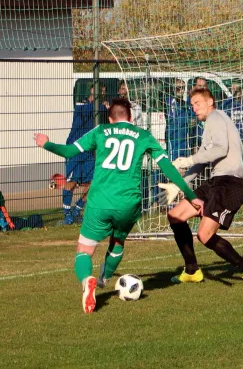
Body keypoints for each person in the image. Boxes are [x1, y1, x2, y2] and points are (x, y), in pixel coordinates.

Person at [34, 98, 201, 313]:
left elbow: (68, 152)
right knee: (118, 240)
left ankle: (88, 280)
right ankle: (103, 278)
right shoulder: (144, 136)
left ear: (111, 118)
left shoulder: (100, 131)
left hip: (100, 200)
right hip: (129, 202)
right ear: (131, 117)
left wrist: (45, 143)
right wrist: (190, 195)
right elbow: (167, 168)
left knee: (84, 250)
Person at [157, 88, 243, 288]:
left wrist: (187, 159)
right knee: (175, 216)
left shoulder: (215, 117)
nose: (194, 108)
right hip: (216, 181)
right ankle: (192, 270)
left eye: (197, 103)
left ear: (210, 101)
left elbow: (221, 149)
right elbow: (202, 162)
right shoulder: (210, 125)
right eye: (192, 104)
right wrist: (179, 186)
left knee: (204, 235)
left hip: (230, 184)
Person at [62, 85, 108, 225]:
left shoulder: (102, 108)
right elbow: (89, 112)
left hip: (89, 151)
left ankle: (78, 208)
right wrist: (104, 108)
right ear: (91, 90)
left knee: (95, 183)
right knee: (71, 182)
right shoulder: (81, 103)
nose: (101, 92)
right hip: (75, 148)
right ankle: (67, 213)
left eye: (103, 91)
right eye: (98, 89)